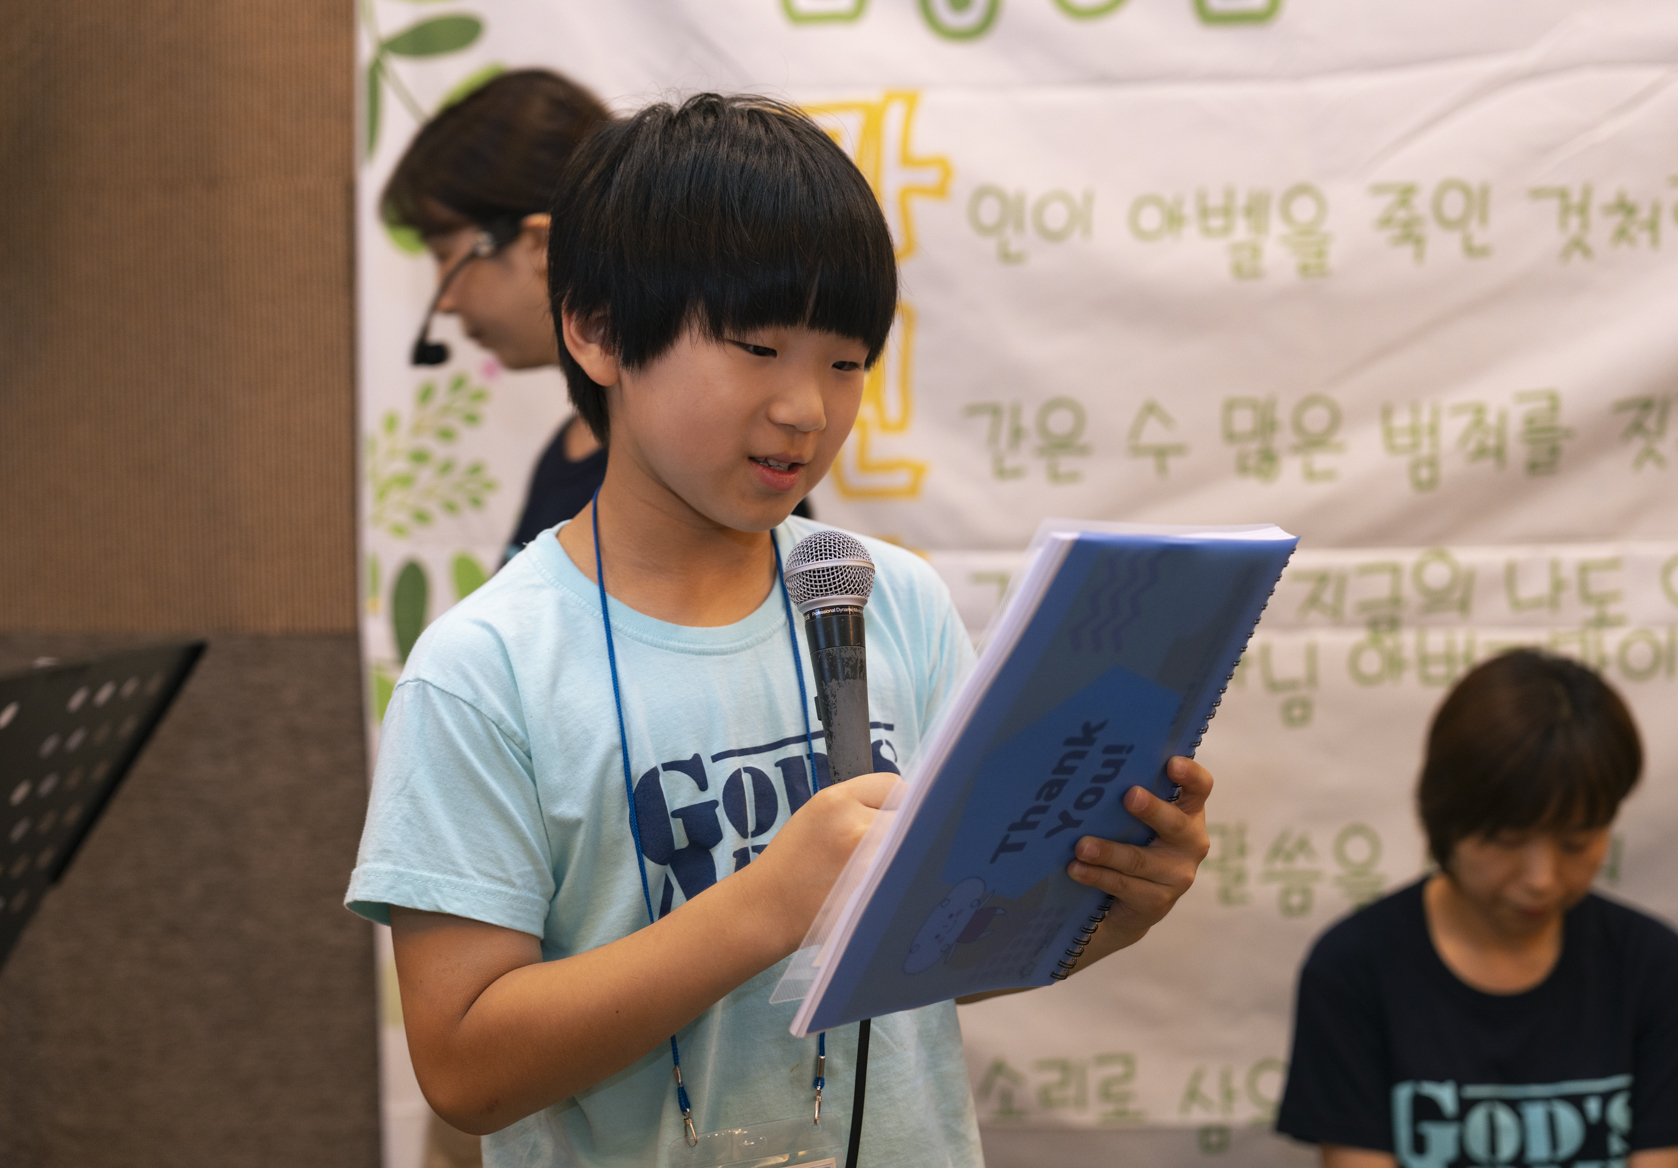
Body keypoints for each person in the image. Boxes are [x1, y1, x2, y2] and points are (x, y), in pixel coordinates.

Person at [346, 93, 1214, 1167]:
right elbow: (465, 1067)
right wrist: (771, 903)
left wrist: (1102, 909)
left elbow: (931, 961)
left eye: (845, 362)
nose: (807, 408)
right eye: (758, 348)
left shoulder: (890, 599)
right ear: (599, 330)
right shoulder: (486, 669)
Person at [1275, 649, 1678, 1168]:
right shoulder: (1353, 970)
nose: (1541, 880)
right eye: (1507, 840)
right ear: (1444, 817)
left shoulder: (1653, 967)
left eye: (1576, 843)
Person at [380, 68, 613, 562]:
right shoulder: (569, 450)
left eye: (446, 254)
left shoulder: (670, 466)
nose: (445, 301)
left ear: (541, 245)